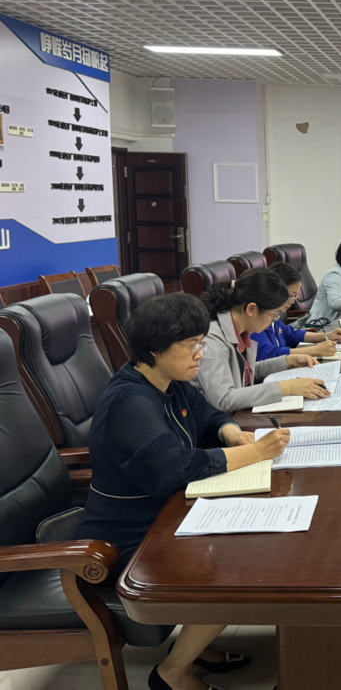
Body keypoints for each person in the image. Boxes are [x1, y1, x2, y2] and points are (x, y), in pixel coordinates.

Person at [75, 293, 291, 690]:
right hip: (130, 537)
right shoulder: (130, 400)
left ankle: (198, 645)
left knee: (253, 543)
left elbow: (209, 414)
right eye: (190, 345)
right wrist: (255, 453)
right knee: (238, 567)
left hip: (167, 514)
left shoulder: (170, 383)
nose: (200, 354)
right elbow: (174, 467)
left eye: (201, 343)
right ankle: (172, 673)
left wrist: (229, 432)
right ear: (155, 350)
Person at [194, 268, 330, 412]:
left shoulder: (241, 331)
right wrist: (286, 387)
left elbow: (246, 372)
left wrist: (287, 361)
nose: (275, 320)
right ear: (252, 309)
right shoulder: (212, 339)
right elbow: (224, 400)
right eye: (275, 314)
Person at [252, 262, 341, 360]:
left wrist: (326, 336)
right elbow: (268, 355)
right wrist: (315, 350)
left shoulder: (275, 318)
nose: (293, 301)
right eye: (291, 295)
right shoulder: (258, 322)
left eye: (295, 296)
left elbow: (292, 335)